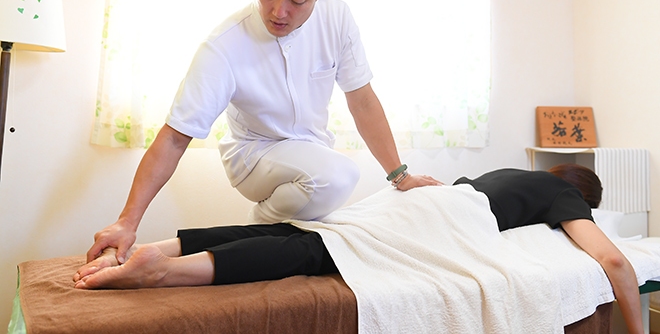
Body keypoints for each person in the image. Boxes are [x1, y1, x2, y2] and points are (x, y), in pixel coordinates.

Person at [86, 0, 441, 266]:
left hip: (311, 153)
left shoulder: (337, 18)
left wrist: (400, 176)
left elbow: (361, 99)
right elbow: (175, 137)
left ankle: (238, 242)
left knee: (317, 206)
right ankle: (257, 227)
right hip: (254, 156)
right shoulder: (224, 46)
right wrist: (127, 222)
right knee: (339, 175)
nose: (279, 11)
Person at [74, 163, 643, 334]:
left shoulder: (512, 174)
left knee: (305, 234)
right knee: (315, 256)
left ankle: (163, 247)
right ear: (581, 194)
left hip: (419, 200)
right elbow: (613, 259)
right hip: (445, 218)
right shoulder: (564, 196)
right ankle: (166, 272)